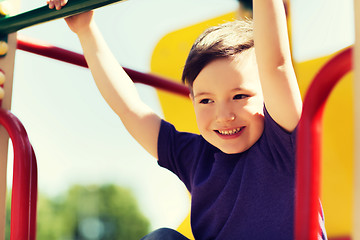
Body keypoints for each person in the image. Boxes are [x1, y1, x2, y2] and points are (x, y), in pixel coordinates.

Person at [47, 0, 327, 239]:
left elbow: (276, 64)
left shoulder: (284, 141)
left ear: (267, 95)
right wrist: (85, 31)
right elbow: (128, 108)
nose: (224, 115)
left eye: (240, 96)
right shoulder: (195, 158)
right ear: (192, 100)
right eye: (206, 100)